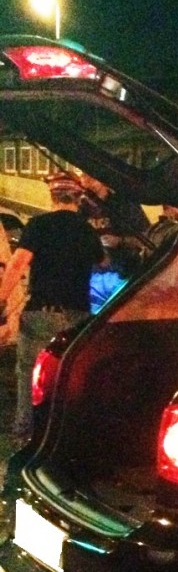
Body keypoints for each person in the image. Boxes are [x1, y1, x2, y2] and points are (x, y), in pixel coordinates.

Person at [0, 171, 103, 439]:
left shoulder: (38, 225)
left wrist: (1, 298)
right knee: (67, 378)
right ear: (78, 198)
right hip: (78, 316)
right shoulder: (86, 229)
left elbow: (18, 264)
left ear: (52, 195)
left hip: (43, 313)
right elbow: (103, 262)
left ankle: (27, 434)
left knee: (29, 374)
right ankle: (63, 434)